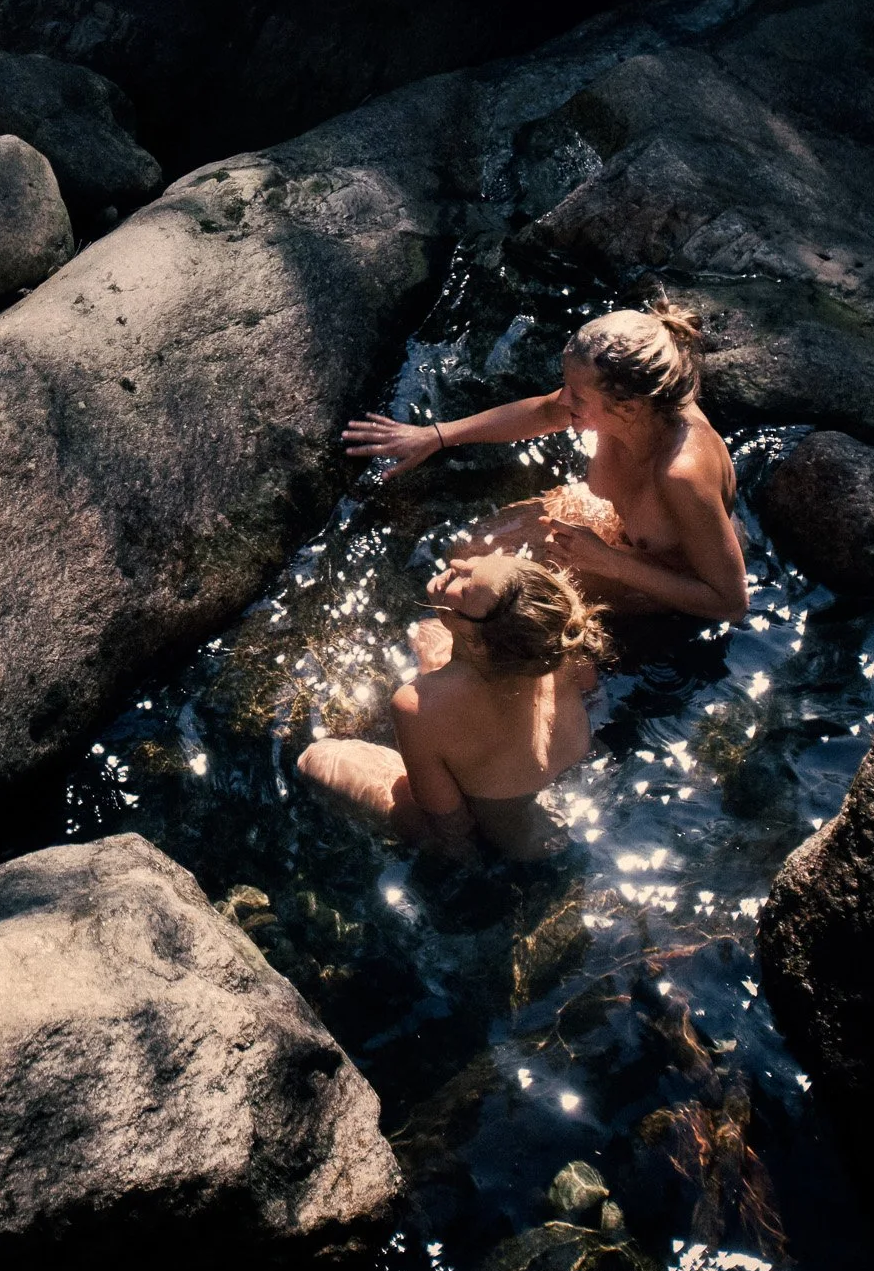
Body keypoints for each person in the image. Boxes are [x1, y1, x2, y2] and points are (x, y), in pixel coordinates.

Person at [343, 303, 751, 622]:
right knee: (468, 552)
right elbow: (542, 413)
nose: (563, 399)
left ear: (627, 407)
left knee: (490, 610)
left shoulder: (681, 474)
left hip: (670, 585)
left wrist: (611, 563)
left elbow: (731, 603)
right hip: (619, 540)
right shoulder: (634, 407)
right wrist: (436, 436)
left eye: (577, 395)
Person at [296, 551, 607, 860]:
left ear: (479, 643)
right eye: (479, 563)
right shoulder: (560, 641)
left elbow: (449, 821)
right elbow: (591, 697)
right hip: (580, 793)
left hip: (513, 844)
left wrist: (466, 860)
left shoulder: (416, 706)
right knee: (428, 632)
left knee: (316, 758)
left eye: (468, 587)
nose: (459, 565)